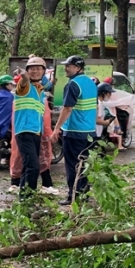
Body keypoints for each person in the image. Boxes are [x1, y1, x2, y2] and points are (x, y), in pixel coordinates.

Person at [52, 55, 98, 206]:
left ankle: (73, 195)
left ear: (77, 68)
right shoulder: (91, 83)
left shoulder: (72, 84)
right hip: (90, 132)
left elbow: (67, 109)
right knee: (84, 164)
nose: (66, 68)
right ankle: (84, 194)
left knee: (73, 165)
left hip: (74, 131)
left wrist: (57, 128)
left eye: (69, 66)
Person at [13, 55, 52, 198]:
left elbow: (50, 83)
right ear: (27, 71)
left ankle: (23, 199)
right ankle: (27, 198)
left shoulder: (40, 90)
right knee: (34, 167)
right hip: (24, 131)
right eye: (32, 69)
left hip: (36, 132)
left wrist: (35, 59)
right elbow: (23, 81)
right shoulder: (25, 86)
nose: (35, 71)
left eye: (38, 69)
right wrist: (24, 76)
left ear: (43, 72)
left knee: (28, 167)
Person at [96, 83, 125, 151]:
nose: (110, 95)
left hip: (98, 133)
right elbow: (97, 120)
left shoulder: (101, 103)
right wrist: (107, 122)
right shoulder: (99, 103)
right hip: (95, 133)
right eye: (109, 93)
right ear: (104, 93)